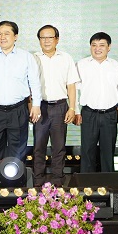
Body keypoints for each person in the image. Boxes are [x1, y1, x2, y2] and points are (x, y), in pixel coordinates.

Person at [0, 21, 42, 166]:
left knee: (17, 151)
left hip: (18, 110)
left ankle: (17, 181)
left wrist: (36, 105)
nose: (2, 37)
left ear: (15, 36)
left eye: (7, 33)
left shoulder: (26, 57)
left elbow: (35, 83)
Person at [75, 32, 118, 173]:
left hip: (110, 114)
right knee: (87, 151)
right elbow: (73, 90)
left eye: (101, 45)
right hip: (89, 114)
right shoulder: (81, 65)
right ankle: (87, 183)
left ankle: (108, 183)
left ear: (109, 47)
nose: (97, 48)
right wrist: (76, 111)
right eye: (94, 45)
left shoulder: (116, 66)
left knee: (108, 152)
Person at [32, 25, 79, 186]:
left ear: (57, 39)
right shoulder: (33, 58)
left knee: (59, 147)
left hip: (60, 106)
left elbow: (71, 86)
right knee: (39, 146)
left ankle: (58, 181)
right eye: (43, 38)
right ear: (39, 40)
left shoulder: (66, 58)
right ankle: (38, 181)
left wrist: (72, 108)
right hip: (40, 107)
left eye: (50, 37)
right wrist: (31, 106)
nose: (46, 41)